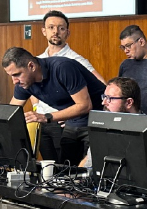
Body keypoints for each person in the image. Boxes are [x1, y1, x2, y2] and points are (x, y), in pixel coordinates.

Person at [4, 47, 105, 166]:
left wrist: (45, 117)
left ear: (31, 66)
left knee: (91, 168)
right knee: (66, 169)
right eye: (11, 76)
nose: (14, 81)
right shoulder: (24, 83)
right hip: (74, 121)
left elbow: (85, 105)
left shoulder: (62, 67)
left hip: (98, 119)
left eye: (17, 74)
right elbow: (10, 114)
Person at [35, 10, 107, 161]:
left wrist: (70, 115)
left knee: (64, 168)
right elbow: (31, 88)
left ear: (67, 33)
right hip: (42, 122)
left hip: (64, 123)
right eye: (51, 27)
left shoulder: (75, 60)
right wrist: (36, 109)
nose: (56, 32)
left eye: (61, 28)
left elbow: (103, 87)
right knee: (49, 168)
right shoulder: (37, 60)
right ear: (44, 31)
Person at [80, 77, 143, 168]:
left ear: (129, 102)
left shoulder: (146, 130)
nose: (103, 103)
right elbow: (89, 162)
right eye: (104, 97)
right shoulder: (103, 125)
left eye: (110, 98)